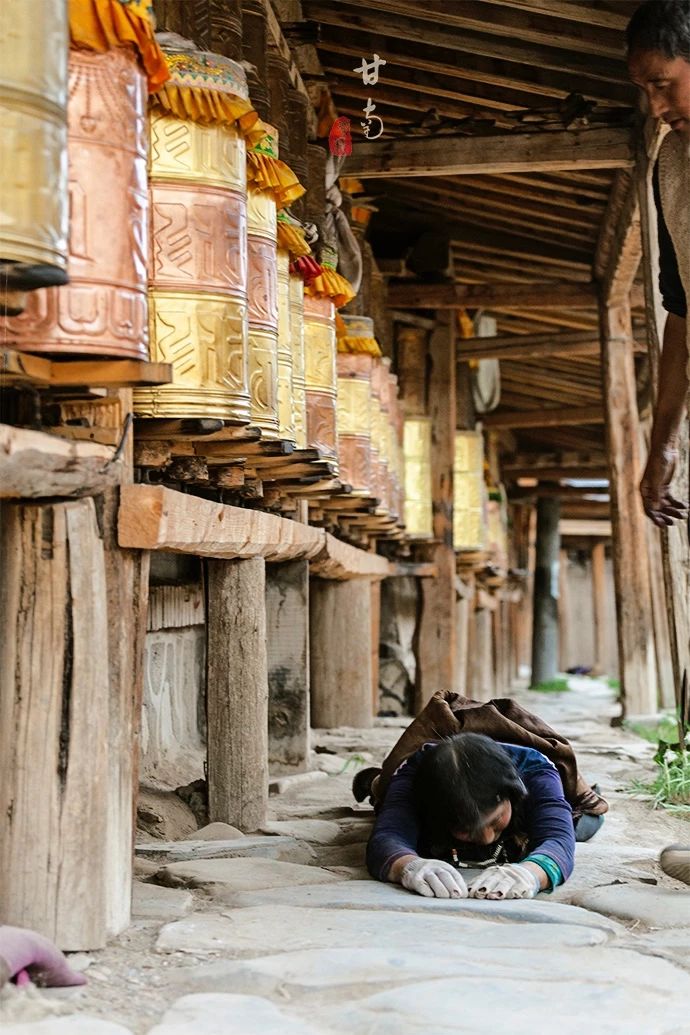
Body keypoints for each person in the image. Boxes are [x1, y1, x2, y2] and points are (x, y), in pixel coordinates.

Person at [627, 1, 690, 884]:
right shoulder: (672, 166)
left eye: (665, 84)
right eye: (644, 91)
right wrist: (661, 441)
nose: (655, 107)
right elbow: (682, 316)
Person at [366, 732, 600, 900]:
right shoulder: (412, 778)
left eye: (495, 820)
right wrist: (408, 866)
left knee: (582, 825)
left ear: (512, 794)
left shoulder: (536, 773)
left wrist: (531, 873)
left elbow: (558, 839)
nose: (487, 838)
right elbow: (388, 836)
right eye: (466, 829)